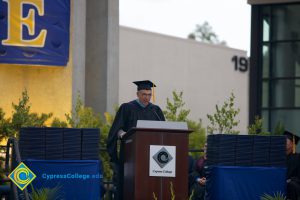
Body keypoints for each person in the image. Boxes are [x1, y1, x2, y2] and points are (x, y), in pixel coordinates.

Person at [106, 80, 165, 200]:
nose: (147, 98)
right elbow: (116, 129)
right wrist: (124, 135)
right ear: (137, 94)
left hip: (152, 155)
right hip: (130, 154)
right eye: (144, 94)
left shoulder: (156, 110)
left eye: (149, 95)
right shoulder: (127, 108)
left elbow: (163, 130)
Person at [284, 130, 300, 200]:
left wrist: (290, 180)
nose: (283, 142)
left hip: (293, 183)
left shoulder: (298, 157)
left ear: (292, 144)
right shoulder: (278, 157)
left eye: (286, 141)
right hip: (279, 180)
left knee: (291, 185)